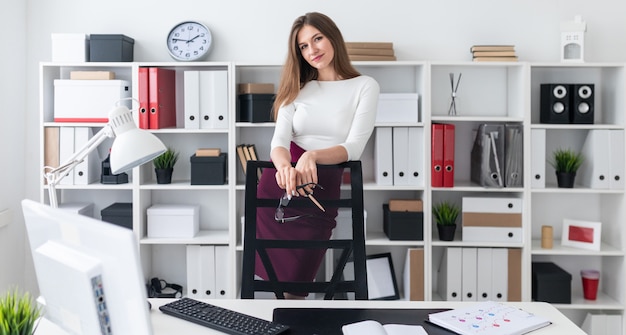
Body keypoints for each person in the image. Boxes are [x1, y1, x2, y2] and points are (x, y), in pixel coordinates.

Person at [255, 12, 380, 299]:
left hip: (321, 187)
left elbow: (354, 146)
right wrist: (285, 167)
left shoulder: (364, 86)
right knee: (272, 284)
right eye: (303, 46)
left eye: (317, 38)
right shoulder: (297, 88)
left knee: (298, 286)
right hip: (279, 186)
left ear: (332, 36)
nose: (312, 50)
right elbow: (278, 142)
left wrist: (311, 156)